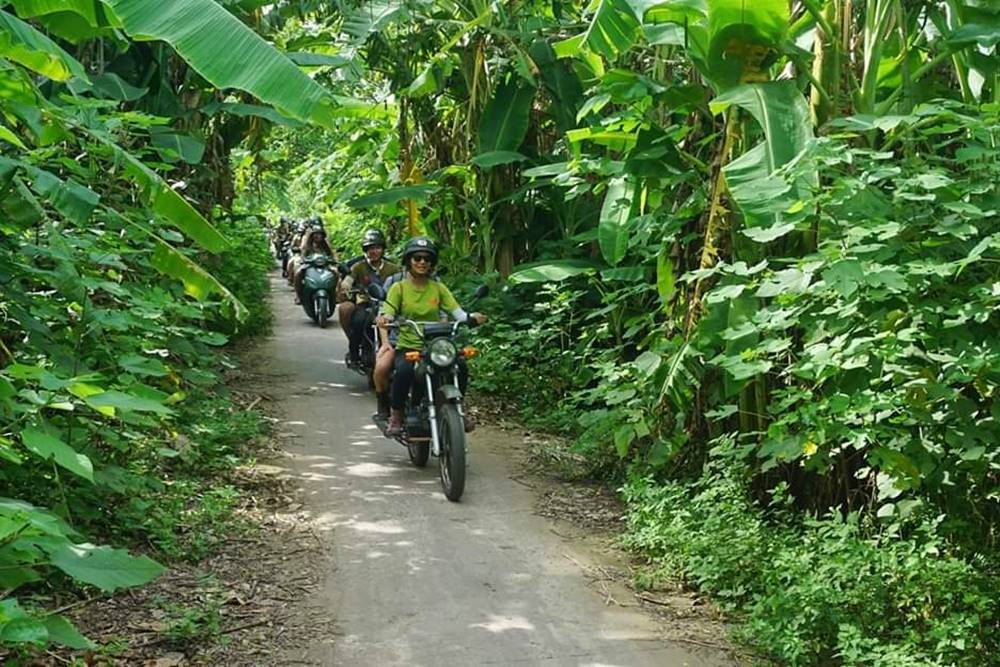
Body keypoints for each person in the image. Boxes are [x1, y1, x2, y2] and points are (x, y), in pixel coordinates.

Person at [377, 237, 486, 435]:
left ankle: (458, 408)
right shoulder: (398, 288)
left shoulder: (438, 288)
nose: (422, 262)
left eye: (427, 259)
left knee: (460, 366)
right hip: (409, 345)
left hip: (436, 344)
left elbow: (457, 313)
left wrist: (471, 318)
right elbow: (388, 311)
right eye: (417, 258)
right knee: (403, 372)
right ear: (409, 261)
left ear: (432, 263)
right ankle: (396, 415)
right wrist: (386, 318)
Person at [338, 229, 399, 366]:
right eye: (370, 248)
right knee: (359, 322)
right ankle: (354, 353)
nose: (374, 251)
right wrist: (346, 284)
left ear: (383, 249)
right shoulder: (359, 267)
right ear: (365, 250)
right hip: (367, 304)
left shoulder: (393, 268)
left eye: (377, 247)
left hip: (389, 305)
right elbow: (348, 279)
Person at [293, 223, 335, 304]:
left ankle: (334, 292)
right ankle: (298, 295)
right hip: (310, 266)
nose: (318, 236)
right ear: (312, 235)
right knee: (298, 273)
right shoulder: (307, 245)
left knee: (336, 272)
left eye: (320, 234)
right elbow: (303, 255)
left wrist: (333, 261)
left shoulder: (326, 245)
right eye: (316, 234)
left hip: (325, 266)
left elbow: (332, 255)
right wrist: (303, 260)